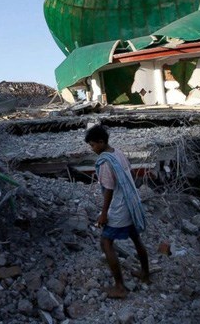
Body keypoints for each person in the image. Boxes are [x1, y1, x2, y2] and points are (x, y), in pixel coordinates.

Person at [85, 124, 150, 298]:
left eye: (93, 145)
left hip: (120, 207)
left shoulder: (106, 162)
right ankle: (145, 273)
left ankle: (120, 287)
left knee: (106, 243)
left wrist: (104, 214)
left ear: (101, 142)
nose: (92, 149)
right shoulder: (118, 152)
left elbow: (108, 190)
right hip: (132, 203)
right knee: (136, 238)